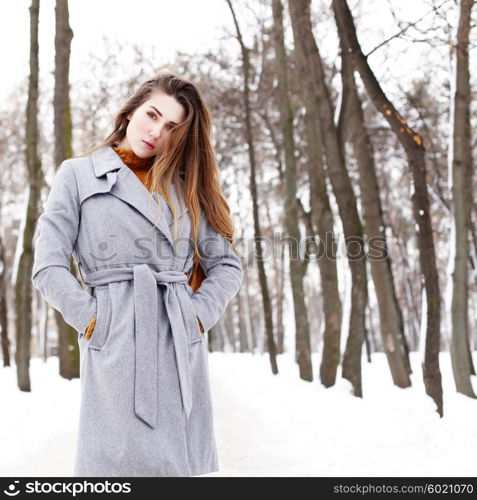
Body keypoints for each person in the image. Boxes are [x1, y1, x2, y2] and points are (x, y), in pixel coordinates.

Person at [31, 73, 243, 477]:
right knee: (115, 471)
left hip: (177, 334)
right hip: (117, 336)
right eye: (152, 115)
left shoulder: (187, 187)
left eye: (171, 128)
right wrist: (94, 321)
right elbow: (48, 265)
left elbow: (227, 265)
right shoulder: (77, 175)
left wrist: (195, 317)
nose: (156, 131)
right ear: (130, 112)